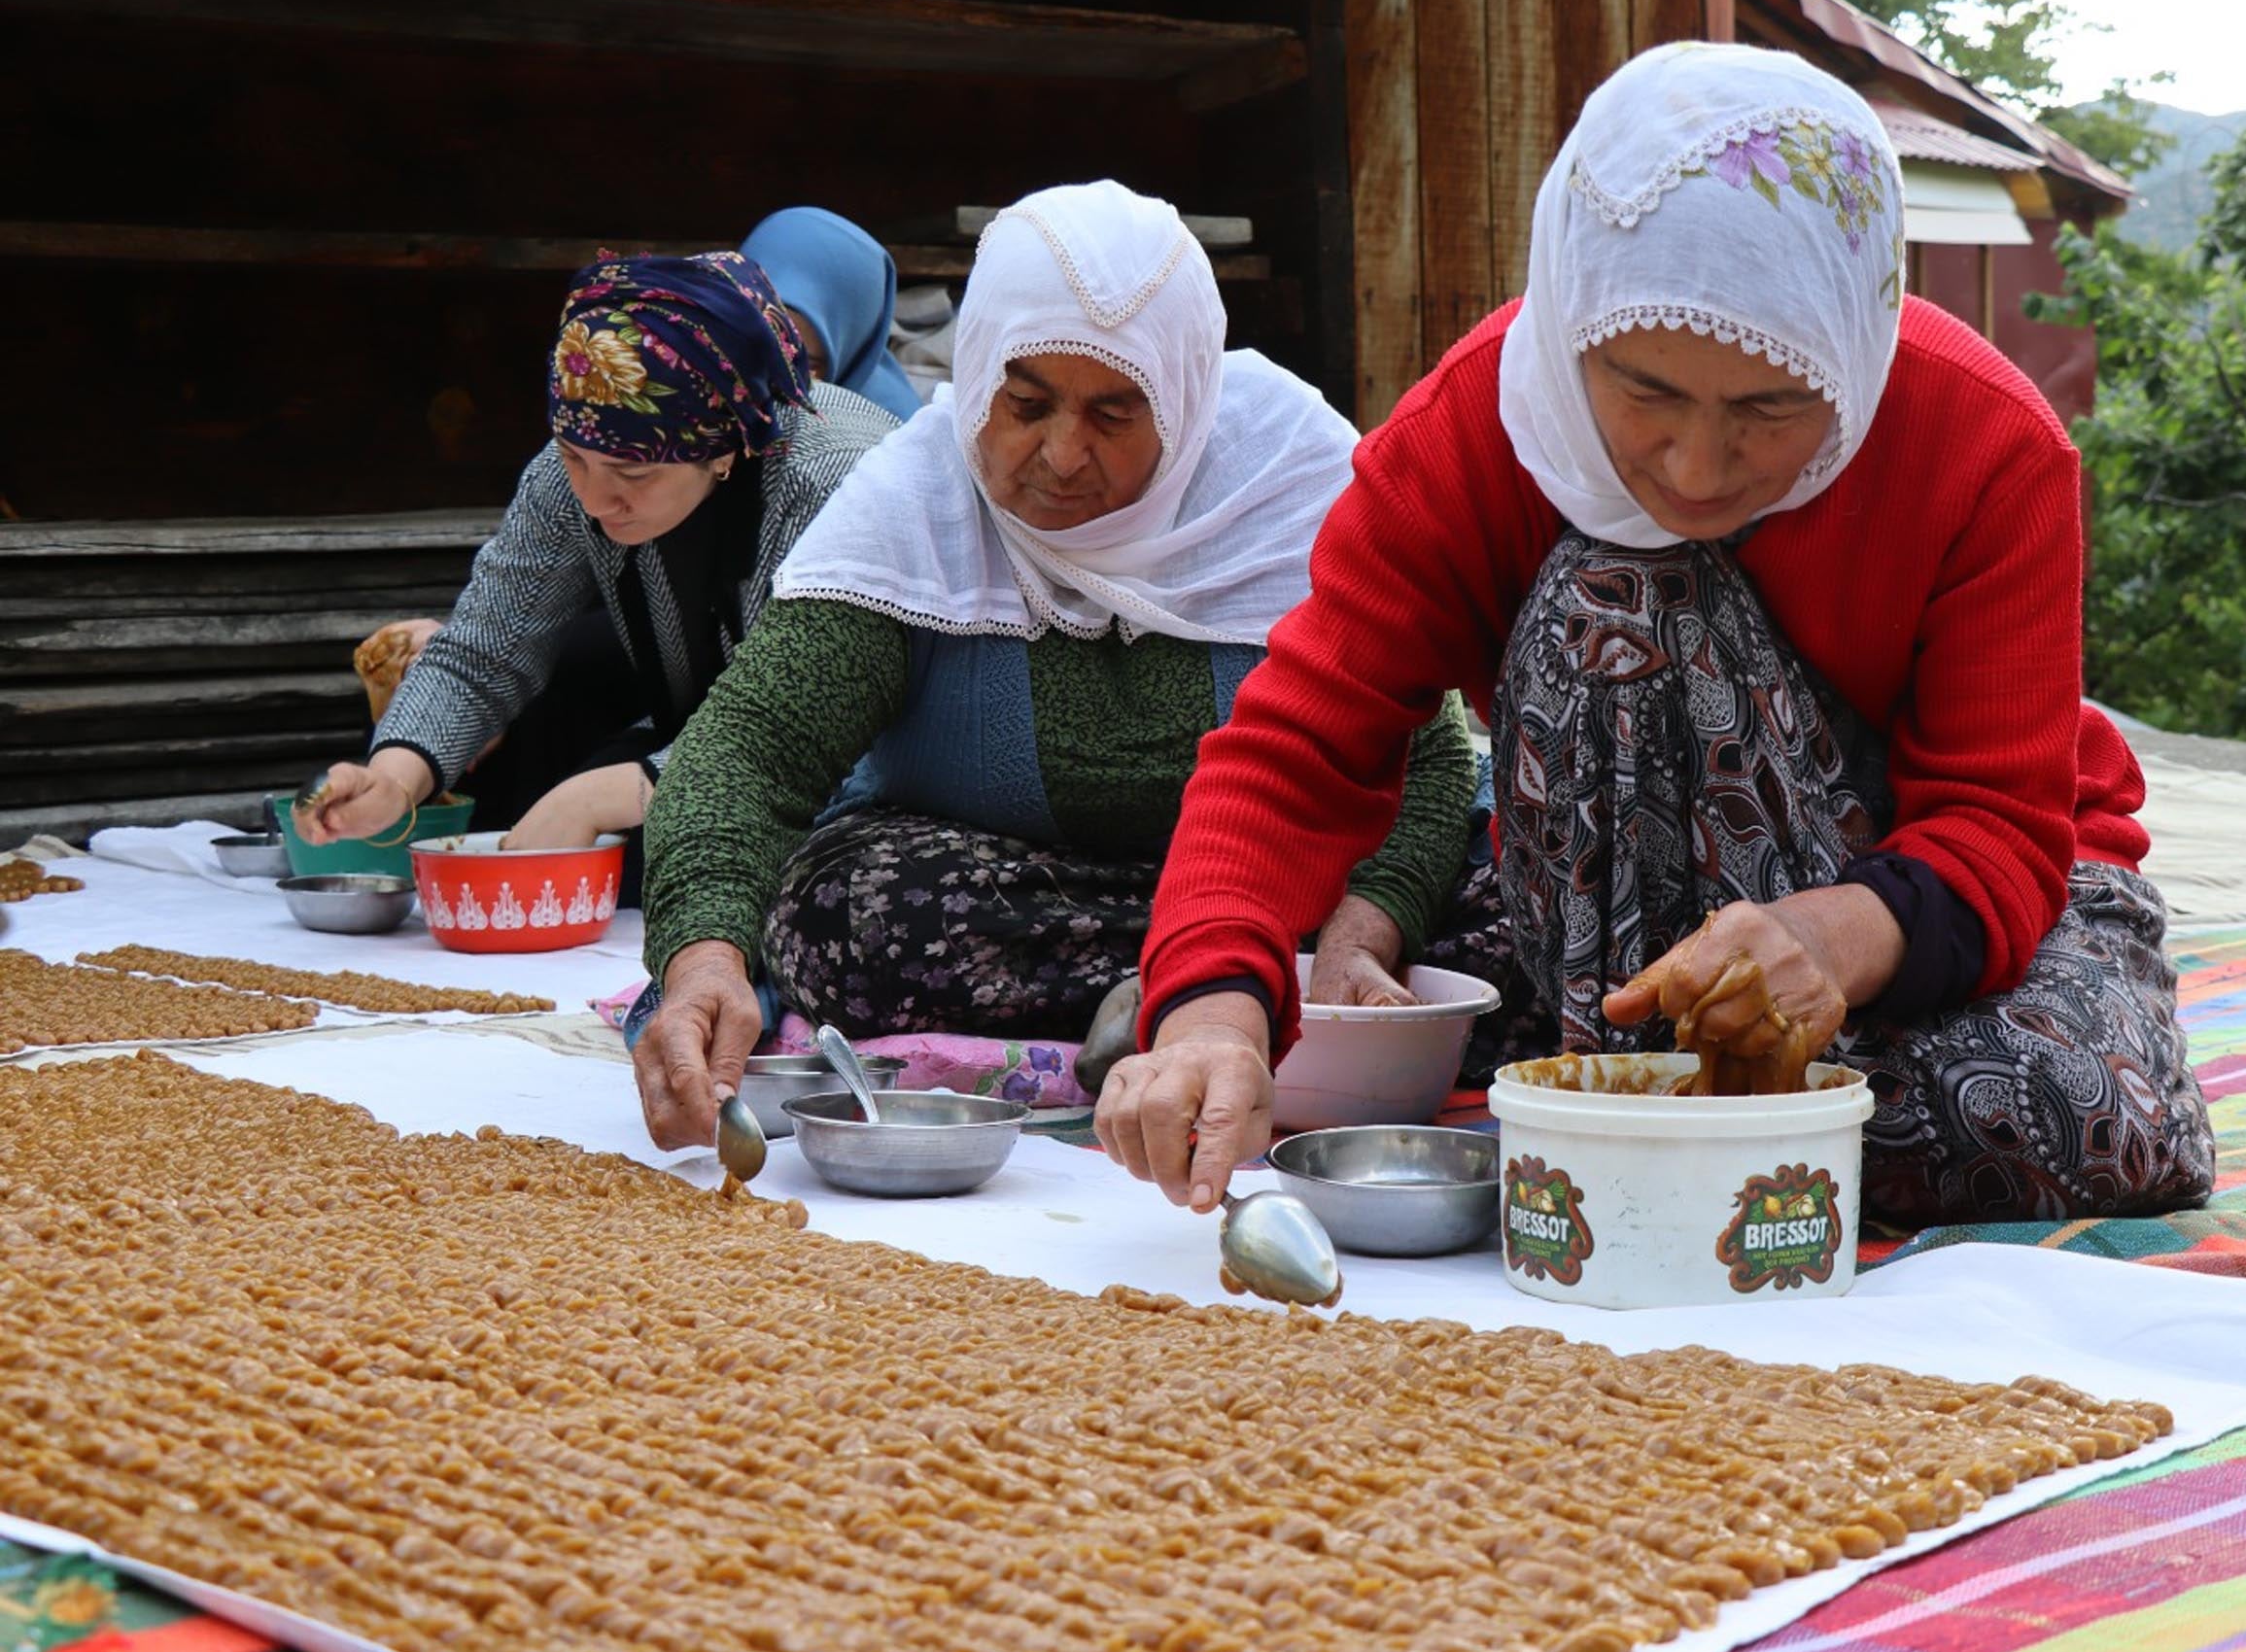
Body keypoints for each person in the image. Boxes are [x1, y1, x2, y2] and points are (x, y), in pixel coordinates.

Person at [1098, 43, 2217, 1230]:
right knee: (1616, 584)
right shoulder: (1475, 430)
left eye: (1768, 408)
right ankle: (1632, 1065)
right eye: (1643, 391)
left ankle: (1615, 1103)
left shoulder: (1986, 444)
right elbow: (1298, 749)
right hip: (1625, 927)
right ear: (1574, 321)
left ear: (1850, 348)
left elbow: (2000, 820)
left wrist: (1820, 941)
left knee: (2077, 1119)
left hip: (1949, 917)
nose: (1695, 464)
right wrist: (1215, 1011)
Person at [632, 181, 1477, 1150]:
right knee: (849, 910)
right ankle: (1200, 998)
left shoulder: (1294, 485)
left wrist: (1359, 942)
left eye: (1116, 412)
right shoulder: (915, 507)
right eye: (1025, 402)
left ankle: (1214, 993)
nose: (1063, 454)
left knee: (1525, 914)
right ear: (978, 368)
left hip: (1281, 903)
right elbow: (746, 753)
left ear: (1186, 394)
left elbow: (1428, 759)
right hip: (1012, 898)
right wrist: (701, 966)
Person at [294, 251, 899, 864]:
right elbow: (486, 649)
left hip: (866, 777)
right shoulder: (583, 462)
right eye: (572, 458)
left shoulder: (834, 484)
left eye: (632, 472)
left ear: (723, 452)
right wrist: (393, 780)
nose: (593, 496)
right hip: (700, 751)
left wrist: (590, 800)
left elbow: (805, 727)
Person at [741, 206, 927, 420]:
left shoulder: (885, 441)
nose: (770, 377)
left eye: (803, 365)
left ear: (852, 352)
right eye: (753, 345)